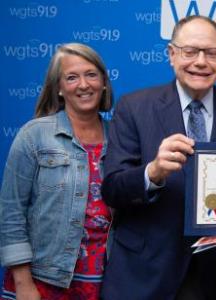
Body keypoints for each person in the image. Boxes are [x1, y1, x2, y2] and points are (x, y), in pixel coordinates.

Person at [100, 15, 216, 300]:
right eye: (190, 51)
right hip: (144, 273)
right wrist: (152, 172)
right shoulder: (134, 107)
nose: (200, 62)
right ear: (172, 55)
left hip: (215, 277)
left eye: (211, 53)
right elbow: (112, 189)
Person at [0, 43, 113, 299]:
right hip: (42, 281)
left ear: (104, 82)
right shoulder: (34, 135)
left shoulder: (121, 137)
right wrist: (23, 284)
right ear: (59, 88)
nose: (84, 85)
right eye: (72, 77)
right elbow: (11, 213)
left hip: (105, 282)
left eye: (91, 74)